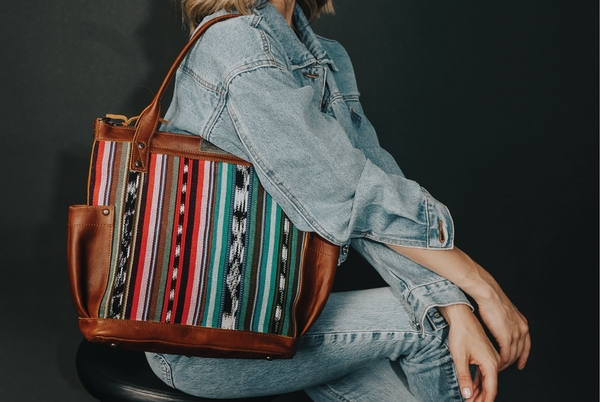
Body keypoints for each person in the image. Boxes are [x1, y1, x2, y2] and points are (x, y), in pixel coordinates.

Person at [145, 0, 531, 401]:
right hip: (198, 335)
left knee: (433, 319)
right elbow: (350, 196)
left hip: (288, 312)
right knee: (427, 323)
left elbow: (371, 200)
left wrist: (452, 300)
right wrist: (478, 290)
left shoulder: (323, 56)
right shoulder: (234, 43)